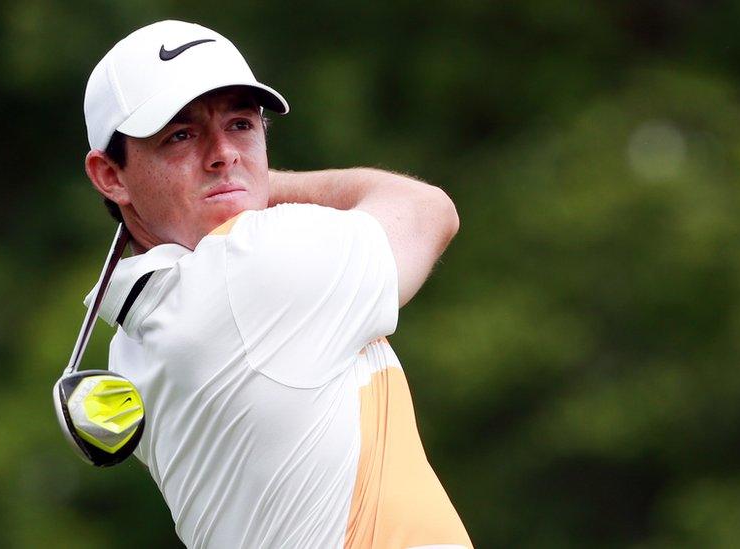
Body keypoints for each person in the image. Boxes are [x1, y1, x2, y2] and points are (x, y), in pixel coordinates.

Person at [81, 20, 472, 549]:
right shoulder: (258, 263)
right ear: (111, 176)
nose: (223, 152)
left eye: (241, 125)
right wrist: (252, 185)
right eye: (181, 135)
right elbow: (428, 210)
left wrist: (227, 185)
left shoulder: (132, 341)